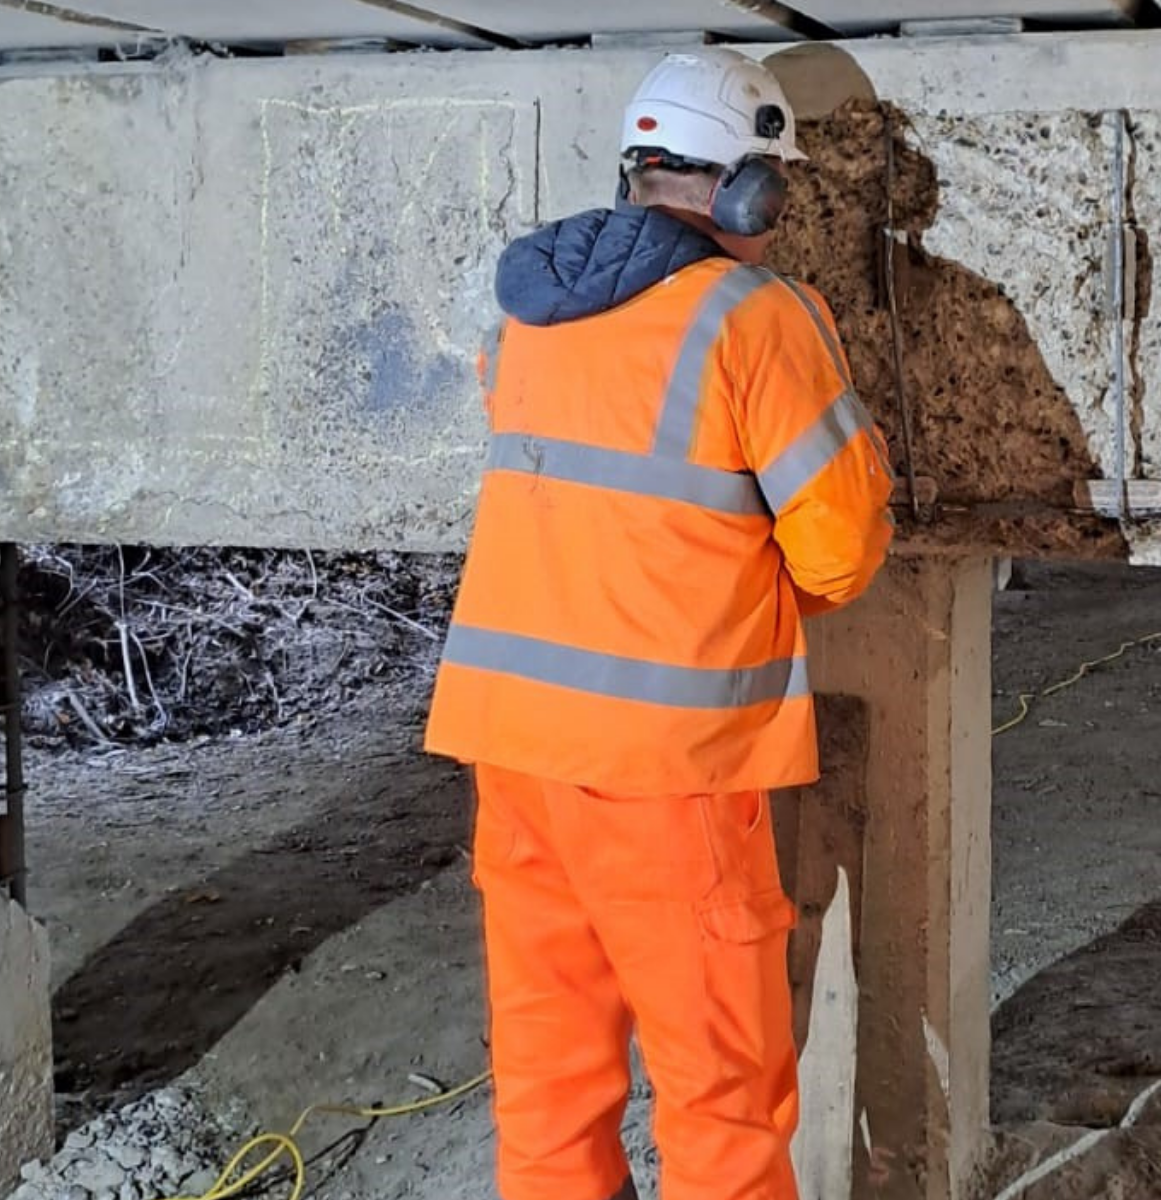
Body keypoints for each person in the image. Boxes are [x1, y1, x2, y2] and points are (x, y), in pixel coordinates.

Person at [423, 46, 895, 1200]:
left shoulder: (528, 319)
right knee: (722, 1106)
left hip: (514, 756)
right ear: (750, 191)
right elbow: (838, 548)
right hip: (666, 776)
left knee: (547, 1095)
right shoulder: (754, 316)